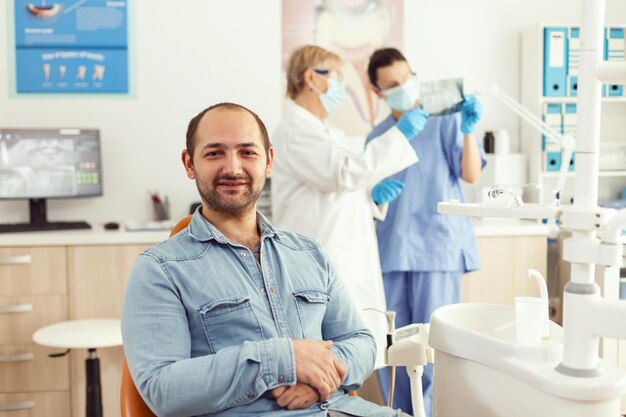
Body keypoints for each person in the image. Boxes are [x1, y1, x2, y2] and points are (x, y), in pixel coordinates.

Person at [121, 102, 412, 417]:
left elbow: (361, 342)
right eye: (214, 153)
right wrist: (280, 361)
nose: (233, 168)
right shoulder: (160, 269)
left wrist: (316, 379)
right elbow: (163, 390)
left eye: (247, 152)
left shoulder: (309, 253)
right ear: (189, 164)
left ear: (269, 161)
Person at [271, 45, 427, 368]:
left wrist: (371, 197)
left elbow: (341, 187)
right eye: (337, 78)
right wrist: (400, 134)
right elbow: (341, 174)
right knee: (329, 360)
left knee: (347, 358)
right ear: (312, 78)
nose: (341, 86)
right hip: (317, 262)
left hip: (338, 257)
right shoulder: (295, 130)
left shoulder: (326, 132)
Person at [366, 47, 486, 417]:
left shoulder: (445, 119)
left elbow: (471, 175)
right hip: (391, 251)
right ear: (377, 91)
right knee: (396, 348)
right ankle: (399, 413)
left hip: (438, 246)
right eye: (392, 84)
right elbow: (365, 196)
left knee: (435, 347)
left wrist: (468, 131)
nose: (402, 87)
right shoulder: (378, 138)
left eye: (406, 78)